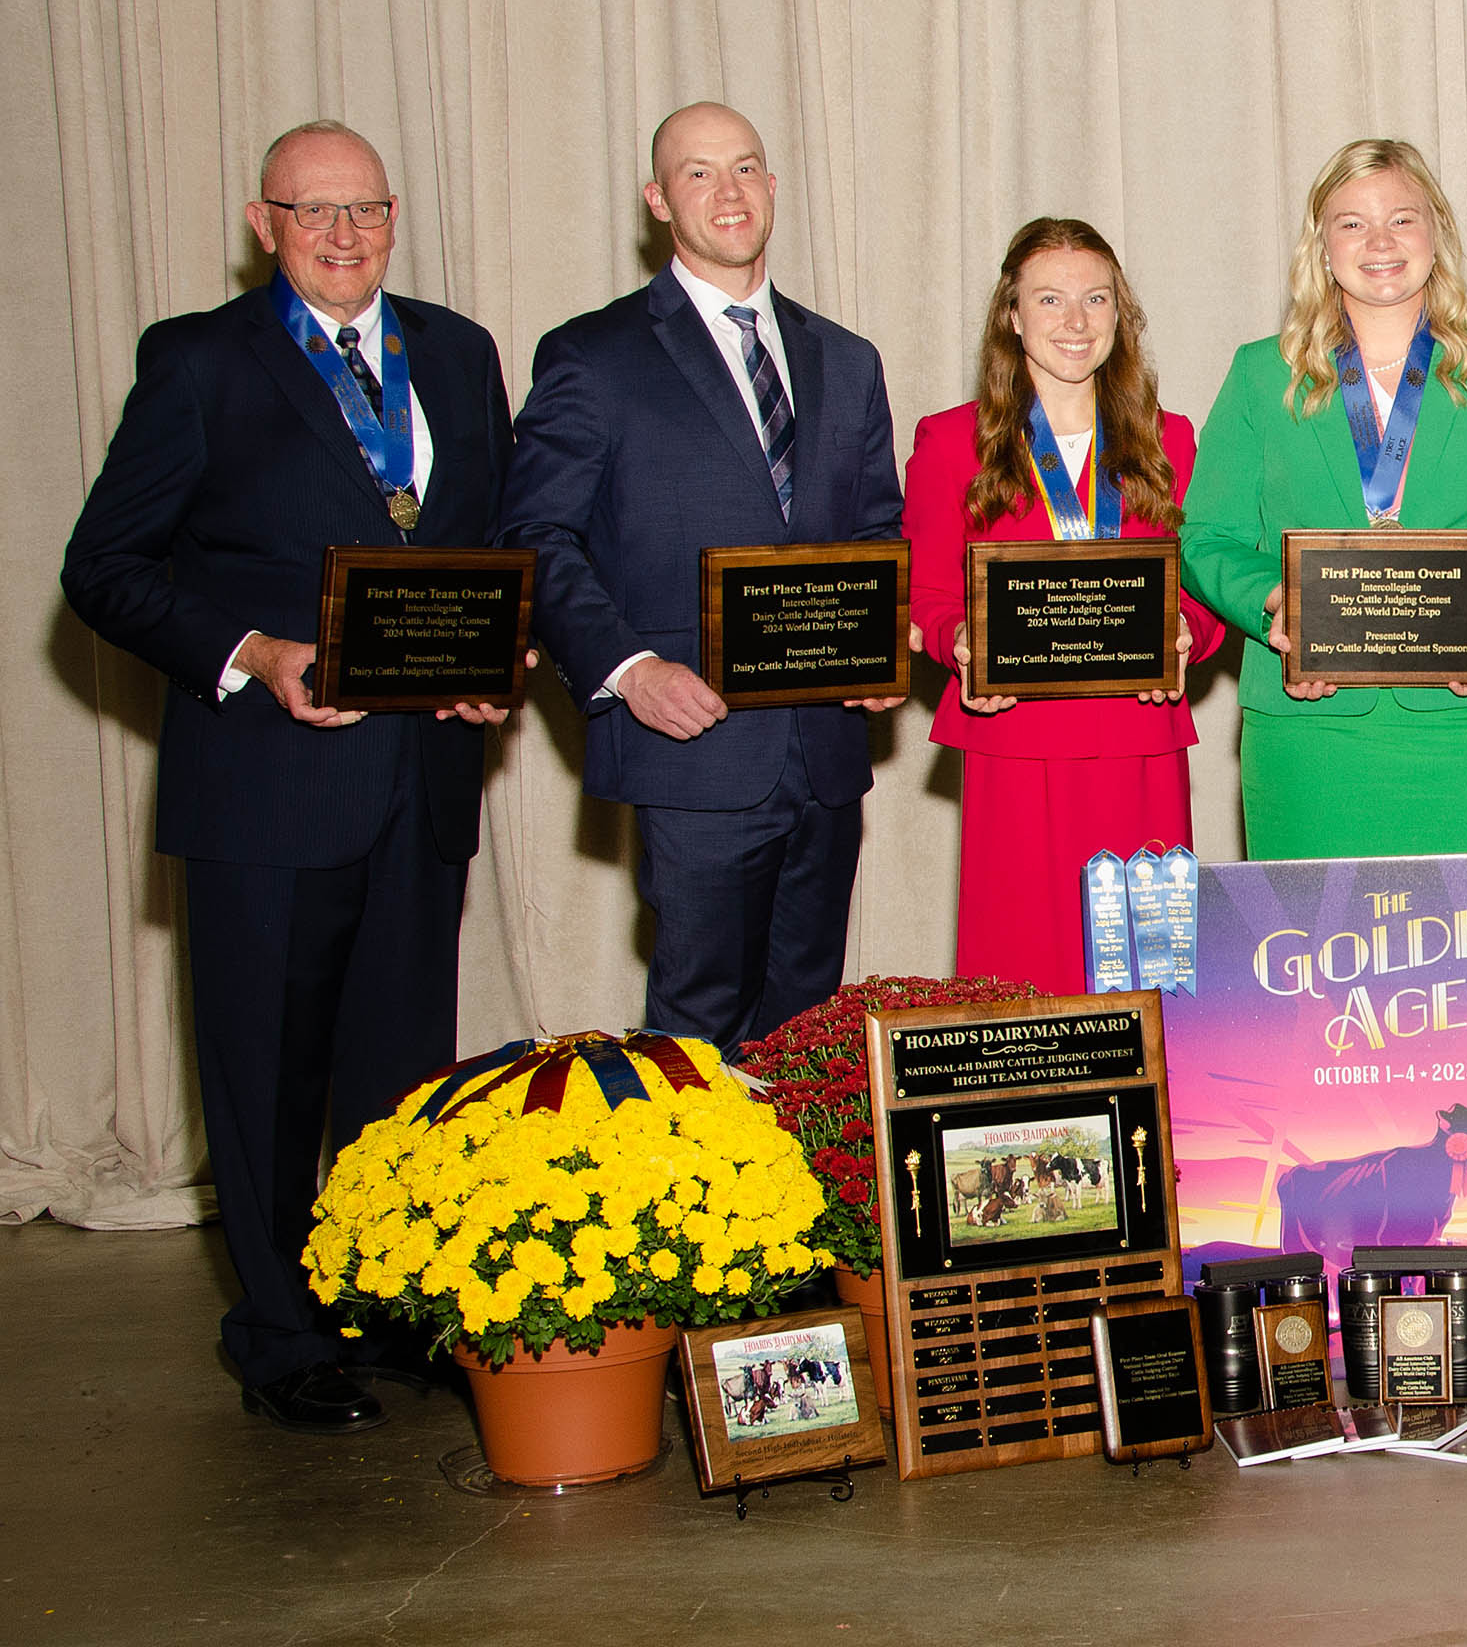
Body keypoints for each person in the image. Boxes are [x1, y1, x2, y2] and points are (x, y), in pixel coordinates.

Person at [60, 121, 515, 1432]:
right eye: (312, 212)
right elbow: (104, 569)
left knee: (396, 1068)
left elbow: (482, 550)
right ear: (264, 225)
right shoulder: (200, 364)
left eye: (364, 208)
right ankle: (276, 1337)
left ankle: (382, 1309)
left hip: (422, 781)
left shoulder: (461, 351)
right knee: (266, 1077)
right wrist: (253, 652)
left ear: (393, 214)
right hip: (263, 785)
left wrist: (500, 655)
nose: (342, 234)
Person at [502, 102, 906, 1047]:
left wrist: (877, 645)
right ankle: (703, 1202)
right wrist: (627, 670)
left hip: (824, 753)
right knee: (695, 1031)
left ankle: (803, 1200)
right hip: (691, 750)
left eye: (747, 168)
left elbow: (877, 529)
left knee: (809, 1032)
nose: (728, 192)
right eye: (698, 173)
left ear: (772, 186)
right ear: (657, 199)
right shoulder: (592, 356)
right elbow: (536, 537)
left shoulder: (846, 360)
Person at [1179, 138, 1467, 858]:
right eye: (1352, 222)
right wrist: (1277, 606)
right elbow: (1205, 536)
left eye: (1402, 218)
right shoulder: (1257, 374)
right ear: (1321, 244)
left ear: (1437, 232)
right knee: (1310, 962)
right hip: (1310, 730)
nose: (1379, 242)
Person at [902, 217, 1226, 991]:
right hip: (1016, 741)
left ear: (1122, 314)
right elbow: (931, 594)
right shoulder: (950, 441)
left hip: (1137, 739)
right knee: (1021, 968)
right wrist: (962, 644)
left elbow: (1204, 581)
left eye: (1096, 299)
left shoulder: (1169, 439)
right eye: (1050, 300)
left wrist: (1188, 631)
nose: (1076, 323)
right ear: (1011, 316)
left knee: (1147, 975)